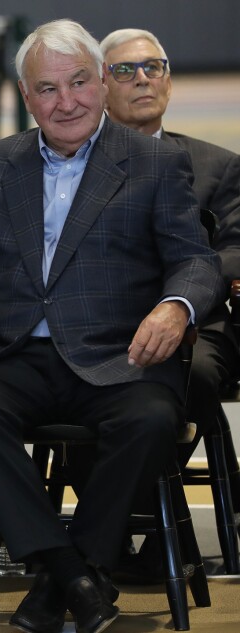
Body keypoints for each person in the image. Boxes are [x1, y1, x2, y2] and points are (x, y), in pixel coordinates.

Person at [0, 19, 220, 633]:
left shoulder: (156, 163)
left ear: (102, 84)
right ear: (27, 98)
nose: (67, 101)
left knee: (154, 420)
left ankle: (60, 580)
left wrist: (175, 306)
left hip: (120, 352)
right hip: (18, 352)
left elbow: (195, 259)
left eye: (79, 82)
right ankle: (76, 575)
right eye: (47, 89)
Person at [96, 27, 240, 581]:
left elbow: (236, 251)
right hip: (98, 326)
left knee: (188, 374)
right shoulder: (73, 164)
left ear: (169, 80)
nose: (142, 80)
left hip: (200, 327)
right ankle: (157, 523)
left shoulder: (217, 166)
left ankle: (134, 521)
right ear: (101, 85)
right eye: (126, 71)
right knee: (81, 373)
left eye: (152, 67)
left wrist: (179, 284)